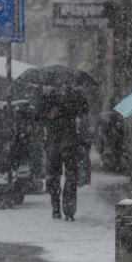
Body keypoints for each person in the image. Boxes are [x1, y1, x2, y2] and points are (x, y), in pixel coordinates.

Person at [38, 86, 89, 221]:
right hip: (62, 143)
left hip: (62, 143)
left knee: (61, 177)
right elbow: (83, 110)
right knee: (64, 177)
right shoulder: (71, 95)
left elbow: (39, 117)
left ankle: (62, 208)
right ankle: (65, 209)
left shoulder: (55, 97)